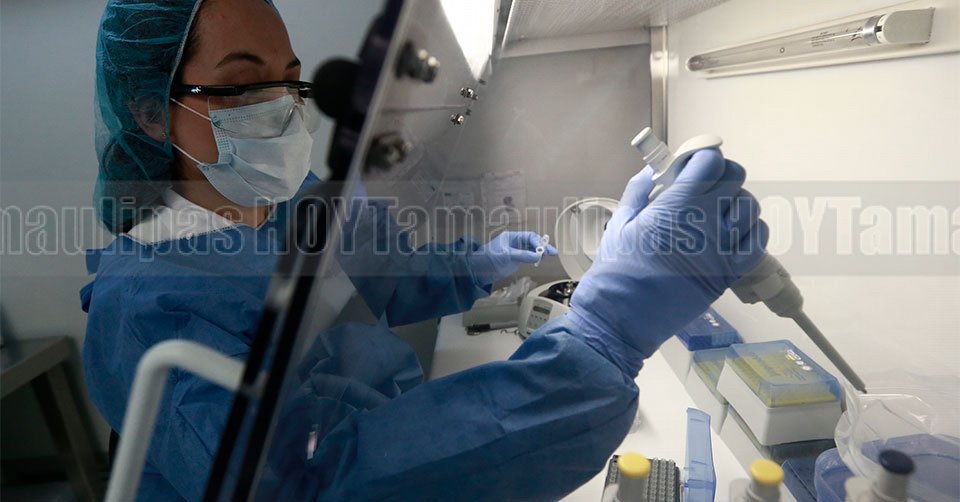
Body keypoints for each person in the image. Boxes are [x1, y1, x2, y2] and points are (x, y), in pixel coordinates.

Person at [82, 0, 767, 501]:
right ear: (151, 113)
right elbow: (310, 485)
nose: (285, 107)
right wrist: (603, 338)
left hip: (390, 432)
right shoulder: (149, 310)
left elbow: (385, 272)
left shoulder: (294, 199)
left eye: (291, 80)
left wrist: (477, 262)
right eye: (245, 84)